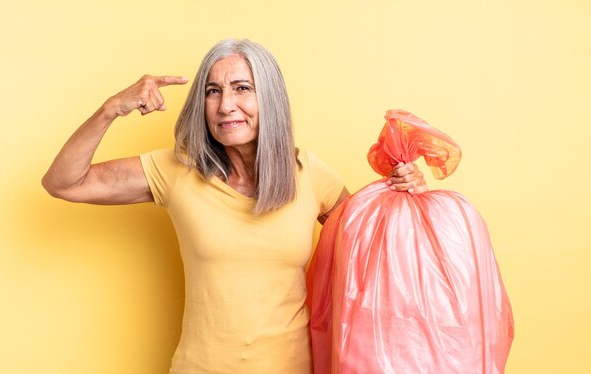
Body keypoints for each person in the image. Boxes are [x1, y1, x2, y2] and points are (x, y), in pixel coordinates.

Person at [42, 39, 427, 373]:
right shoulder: (176, 169)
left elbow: (375, 254)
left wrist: (407, 194)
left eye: (242, 88)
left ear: (269, 98)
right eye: (212, 91)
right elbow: (63, 182)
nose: (226, 105)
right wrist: (112, 108)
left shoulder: (309, 173)